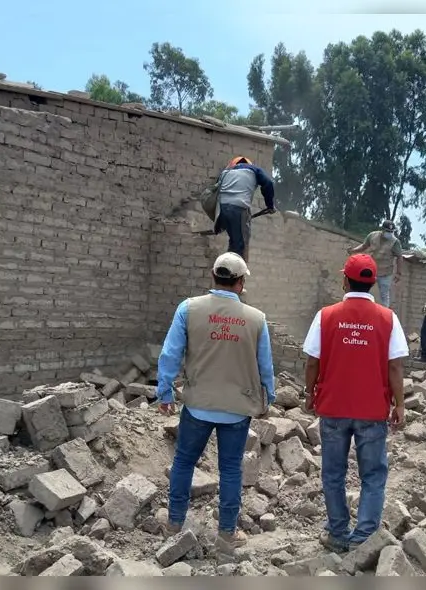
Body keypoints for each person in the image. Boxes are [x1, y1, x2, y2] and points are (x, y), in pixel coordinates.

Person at [155, 252, 276, 550]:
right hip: (236, 409)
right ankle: (227, 532)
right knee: (231, 469)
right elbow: (266, 367)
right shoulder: (256, 319)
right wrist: (268, 397)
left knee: (184, 461)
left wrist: (165, 391)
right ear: (241, 282)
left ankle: (174, 522)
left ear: (213, 276)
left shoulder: (188, 309)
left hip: (198, 404)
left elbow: (170, 353)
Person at [301, 253, 407, 552]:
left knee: (333, 473)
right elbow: (395, 366)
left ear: (345, 280)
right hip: (372, 410)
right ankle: (363, 539)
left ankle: (337, 533)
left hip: (333, 407)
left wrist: (310, 393)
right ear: (373, 283)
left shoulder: (326, 315)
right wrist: (399, 404)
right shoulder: (388, 318)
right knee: (372, 474)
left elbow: (312, 361)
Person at [215, 156, 275, 262]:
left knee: (234, 242)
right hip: (238, 209)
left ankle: (228, 268)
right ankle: (237, 274)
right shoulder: (254, 170)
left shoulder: (225, 173)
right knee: (241, 245)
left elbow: (217, 190)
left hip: (221, 210)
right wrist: (270, 205)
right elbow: (268, 183)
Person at [348, 220, 403, 308]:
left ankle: (385, 315)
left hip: (385, 273)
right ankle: (361, 309)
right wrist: (353, 250)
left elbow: (399, 257)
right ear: (382, 230)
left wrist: (398, 273)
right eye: (387, 231)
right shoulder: (373, 235)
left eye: (391, 232)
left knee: (384, 296)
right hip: (371, 270)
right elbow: (364, 246)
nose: (389, 233)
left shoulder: (395, 242)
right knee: (363, 291)